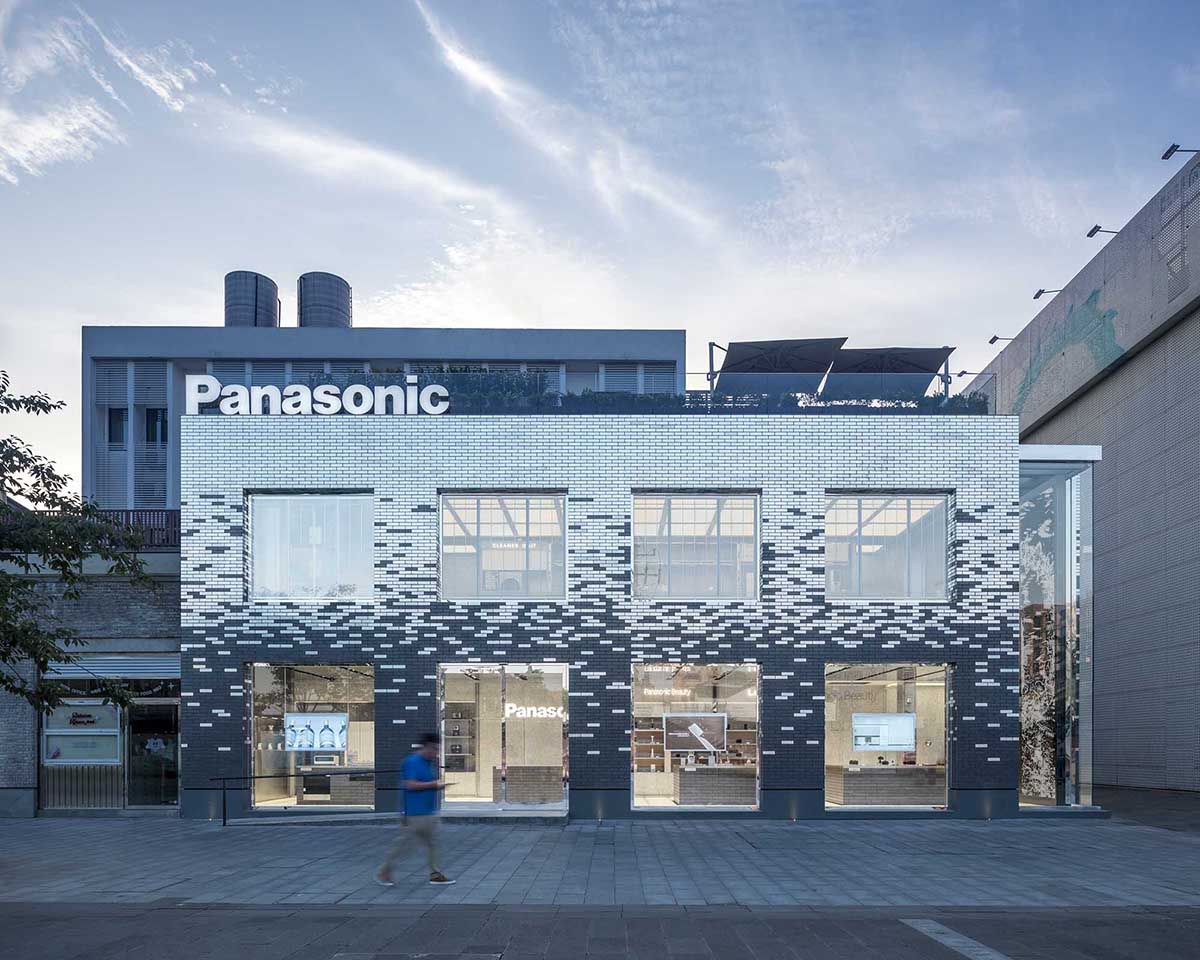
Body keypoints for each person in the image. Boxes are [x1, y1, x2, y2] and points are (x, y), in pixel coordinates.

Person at [377, 732, 455, 886]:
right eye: (433, 749)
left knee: (432, 844)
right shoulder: (412, 762)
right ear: (425, 747)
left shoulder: (428, 763)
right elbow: (410, 785)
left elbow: (425, 784)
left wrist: (437, 787)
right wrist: (433, 785)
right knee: (405, 845)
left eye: (437, 749)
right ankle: (384, 872)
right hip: (414, 813)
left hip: (428, 812)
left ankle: (435, 874)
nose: (436, 753)